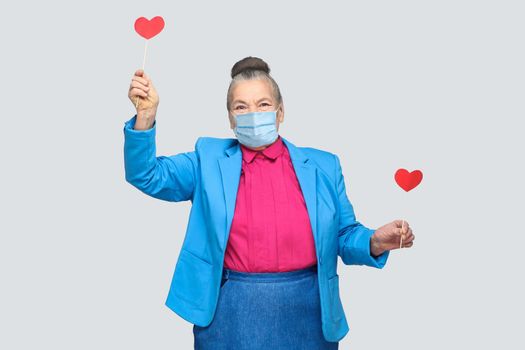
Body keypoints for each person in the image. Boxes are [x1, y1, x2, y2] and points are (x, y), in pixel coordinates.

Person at [123, 56, 415, 349]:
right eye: (241, 107)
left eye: (262, 104)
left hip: (310, 313)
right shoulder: (206, 160)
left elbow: (343, 235)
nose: (253, 114)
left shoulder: (324, 166)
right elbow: (147, 175)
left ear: (280, 112)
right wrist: (145, 117)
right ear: (230, 118)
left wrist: (375, 241)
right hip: (229, 311)